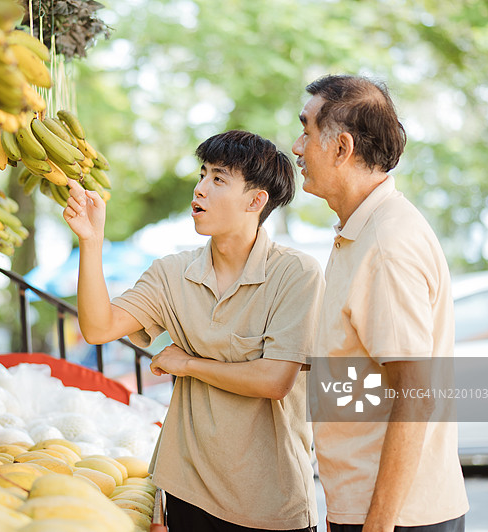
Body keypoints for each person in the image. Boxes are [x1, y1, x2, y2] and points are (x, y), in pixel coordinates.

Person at [63, 130, 324, 531]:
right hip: (188, 495)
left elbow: (274, 380)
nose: (200, 189)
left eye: (218, 179)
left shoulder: (296, 274)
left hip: (271, 503)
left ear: (256, 201)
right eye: (202, 174)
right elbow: (99, 328)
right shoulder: (171, 273)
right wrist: (91, 241)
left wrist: (186, 363)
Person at [292, 74, 468, 532]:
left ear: (340, 147)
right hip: (368, 508)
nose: (296, 147)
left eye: (306, 131)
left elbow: (416, 394)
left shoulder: (386, 244)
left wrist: (378, 524)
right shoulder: (360, 232)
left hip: (396, 518)